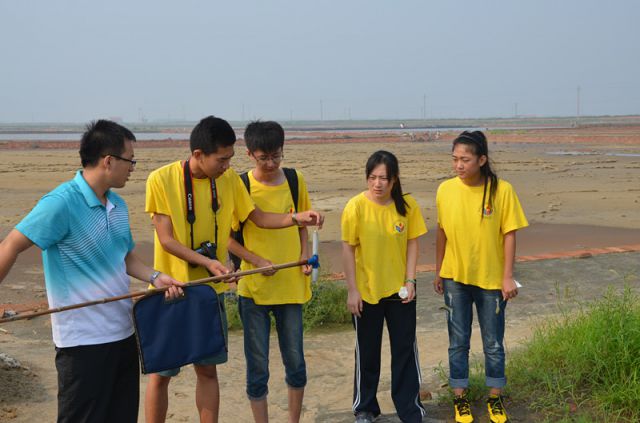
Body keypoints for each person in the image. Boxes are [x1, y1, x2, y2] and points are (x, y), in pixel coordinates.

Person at [0, 120, 184, 423]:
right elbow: (11, 245)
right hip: (81, 343)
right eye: (130, 160)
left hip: (123, 334)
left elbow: (124, 258)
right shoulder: (62, 203)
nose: (133, 167)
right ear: (108, 161)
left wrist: (155, 277)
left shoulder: (118, 205)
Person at [144, 115, 323, 423]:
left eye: (230, 158)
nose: (227, 166)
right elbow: (167, 240)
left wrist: (297, 218)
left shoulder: (228, 182)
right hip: (170, 288)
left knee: (208, 371)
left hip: (209, 293)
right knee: (162, 374)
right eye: (222, 159)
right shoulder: (161, 179)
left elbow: (258, 217)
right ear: (199, 154)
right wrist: (210, 262)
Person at [432, 130, 528, 423]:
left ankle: (495, 398)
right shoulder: (445, 190)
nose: (458, 165)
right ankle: (460, 398)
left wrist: (507, 276)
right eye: (455, 159)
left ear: (482, 159)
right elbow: (442, 233)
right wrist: (439, 271)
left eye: (465, 159)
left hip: (491, 280)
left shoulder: (502, 190)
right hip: (455, 278)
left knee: (493, 342)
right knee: (457, 340)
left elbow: (509, 234)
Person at [227, 120, 312, 423]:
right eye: (265, 158)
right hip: (254, 291)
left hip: (290, 287)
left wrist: (304, 256)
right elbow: (227, 236)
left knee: (296, 363)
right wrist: (255, 260)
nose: (272, 163)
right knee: (258, 367)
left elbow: (301, 222)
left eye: (277, 155)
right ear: (249, 154)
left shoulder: (294, 179)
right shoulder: (240, 185)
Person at [341, 150, 427, 423]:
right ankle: (365, 407)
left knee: (404, 350)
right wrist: (352, 290)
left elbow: (413, 242)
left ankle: (409, 408)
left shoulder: (407, 206)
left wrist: (411, 280)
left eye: (383, 178)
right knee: (367, 352)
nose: (377, 184)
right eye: (372, 178)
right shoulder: (355, 206)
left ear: (394, 180)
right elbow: (347, 249)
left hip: (400, 292)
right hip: (367, 292)